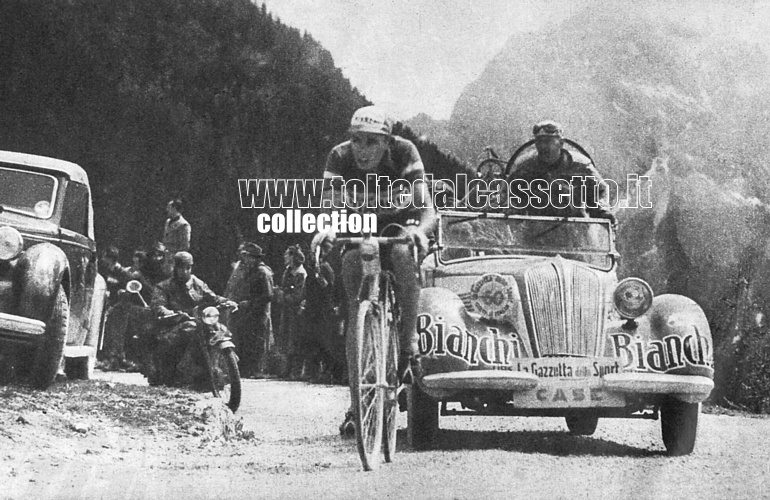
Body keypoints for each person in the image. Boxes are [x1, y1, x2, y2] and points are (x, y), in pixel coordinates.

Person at [319, 105, 437, 435]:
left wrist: (420, 232)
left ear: (387, 142)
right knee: (351, 266)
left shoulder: (404, 152)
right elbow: (328, 208)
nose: (363, 150)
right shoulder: (339, 157)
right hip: (362, 230)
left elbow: (428, 209)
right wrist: (326, 229)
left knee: (401, 252)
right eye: (357, 140)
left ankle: (409, 339)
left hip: (400, 226)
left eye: (372, 142)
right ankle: (358, 406)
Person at [145, 251, 237, 386]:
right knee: (188, 331)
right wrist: (170, 313)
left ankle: (223, 370)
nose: (185, 271)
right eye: (181, 267)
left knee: (221, 329)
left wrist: (226, 302)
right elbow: (158, 305)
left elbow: (212, 296)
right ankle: (182, 372)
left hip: (199, 321)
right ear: (175, 268)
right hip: (173, 324)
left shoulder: (197, 283)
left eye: (188, 267)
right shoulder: (164, 286)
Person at [506, 120, 613, 220]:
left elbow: (600, 192)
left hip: (575, 229)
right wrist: (510, 207)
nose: (543, 147)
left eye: (548, 142)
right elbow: (507, 194)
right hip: (534, 231)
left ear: (561, 143)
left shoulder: (581, 167)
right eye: (539, 142)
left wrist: (602, 210)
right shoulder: (524, 167)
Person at [224, 242, 274, 378]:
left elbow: (268, 295)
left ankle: (256, 370)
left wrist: (250, 303)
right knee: (246, 339)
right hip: (247, 312)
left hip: (258, 313)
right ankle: (246, 370)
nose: (245, 260)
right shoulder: (249, 270)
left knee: (257, 341)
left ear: (254, 258)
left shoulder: (263, 272)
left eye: (248, 257)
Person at [277, 245, 307, 378]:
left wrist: (282, 295)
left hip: (296, 311)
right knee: (286, 339)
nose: (285, 257)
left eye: (287, 255)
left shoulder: (301, 274)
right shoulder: (287, 271)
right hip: (287, 310)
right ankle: (286, 370)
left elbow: (298, 295)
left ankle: (296, 371)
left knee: (295, 339)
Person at [162, 198, 191, 274]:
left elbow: (185, 246)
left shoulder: (183, 225)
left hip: (174, 261)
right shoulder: (168, 222)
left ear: (174, 209)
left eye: (169, 207)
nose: (167, 209)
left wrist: (172, 255)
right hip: (164, 259)